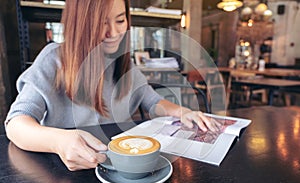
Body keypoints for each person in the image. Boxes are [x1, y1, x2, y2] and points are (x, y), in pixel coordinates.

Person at [5, 0, 220, 171]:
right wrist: (58, 141)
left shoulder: (123, 63)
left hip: (122, 168)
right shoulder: (53, 60)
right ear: (80, 23)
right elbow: (15, 125)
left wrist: (182, 112)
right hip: (66, 175)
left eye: (120, 20)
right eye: (101, 22)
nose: (114, 33)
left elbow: (153, 101)